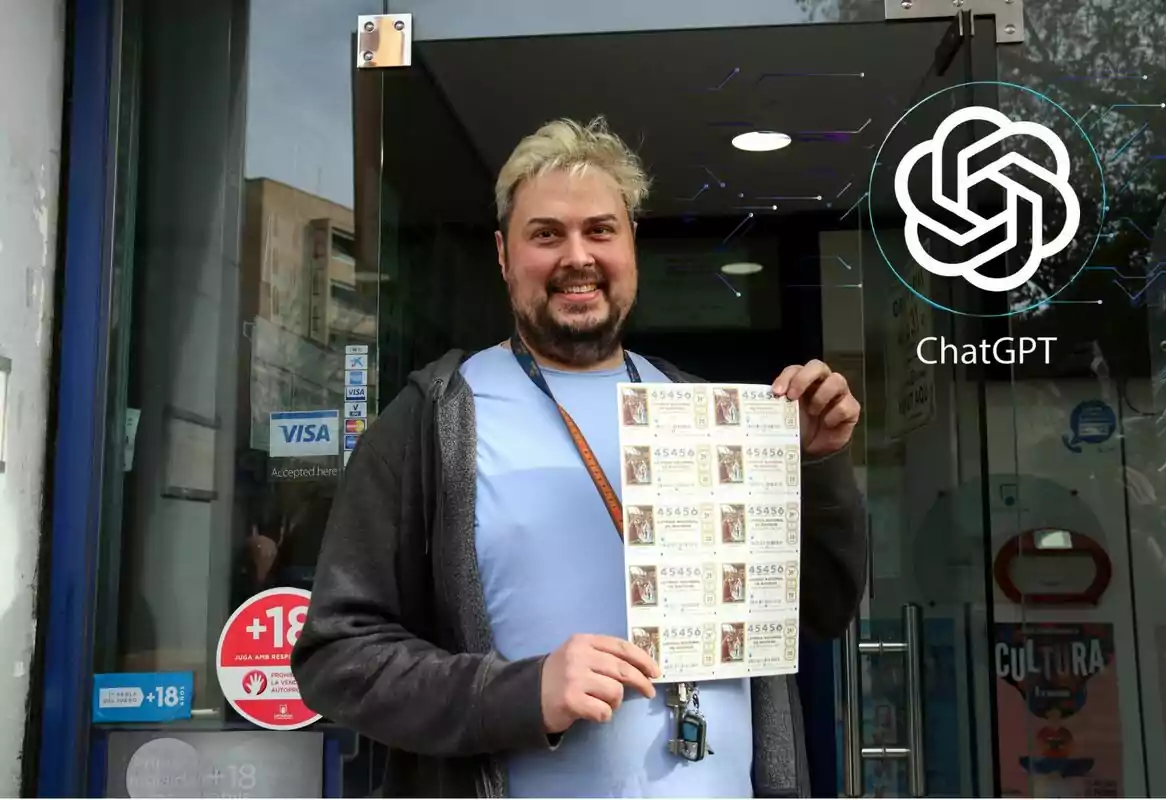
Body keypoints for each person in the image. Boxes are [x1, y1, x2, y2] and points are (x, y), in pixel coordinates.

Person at [293, 116, 867, 798]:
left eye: (600, 230)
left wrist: (817, 464)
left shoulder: (706, 416)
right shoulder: (429, 422)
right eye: (546, 234)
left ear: (630, 247)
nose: (577, 256)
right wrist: (520, 693)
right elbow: (337, 655)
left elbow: (825, 608)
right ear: (504, 256)